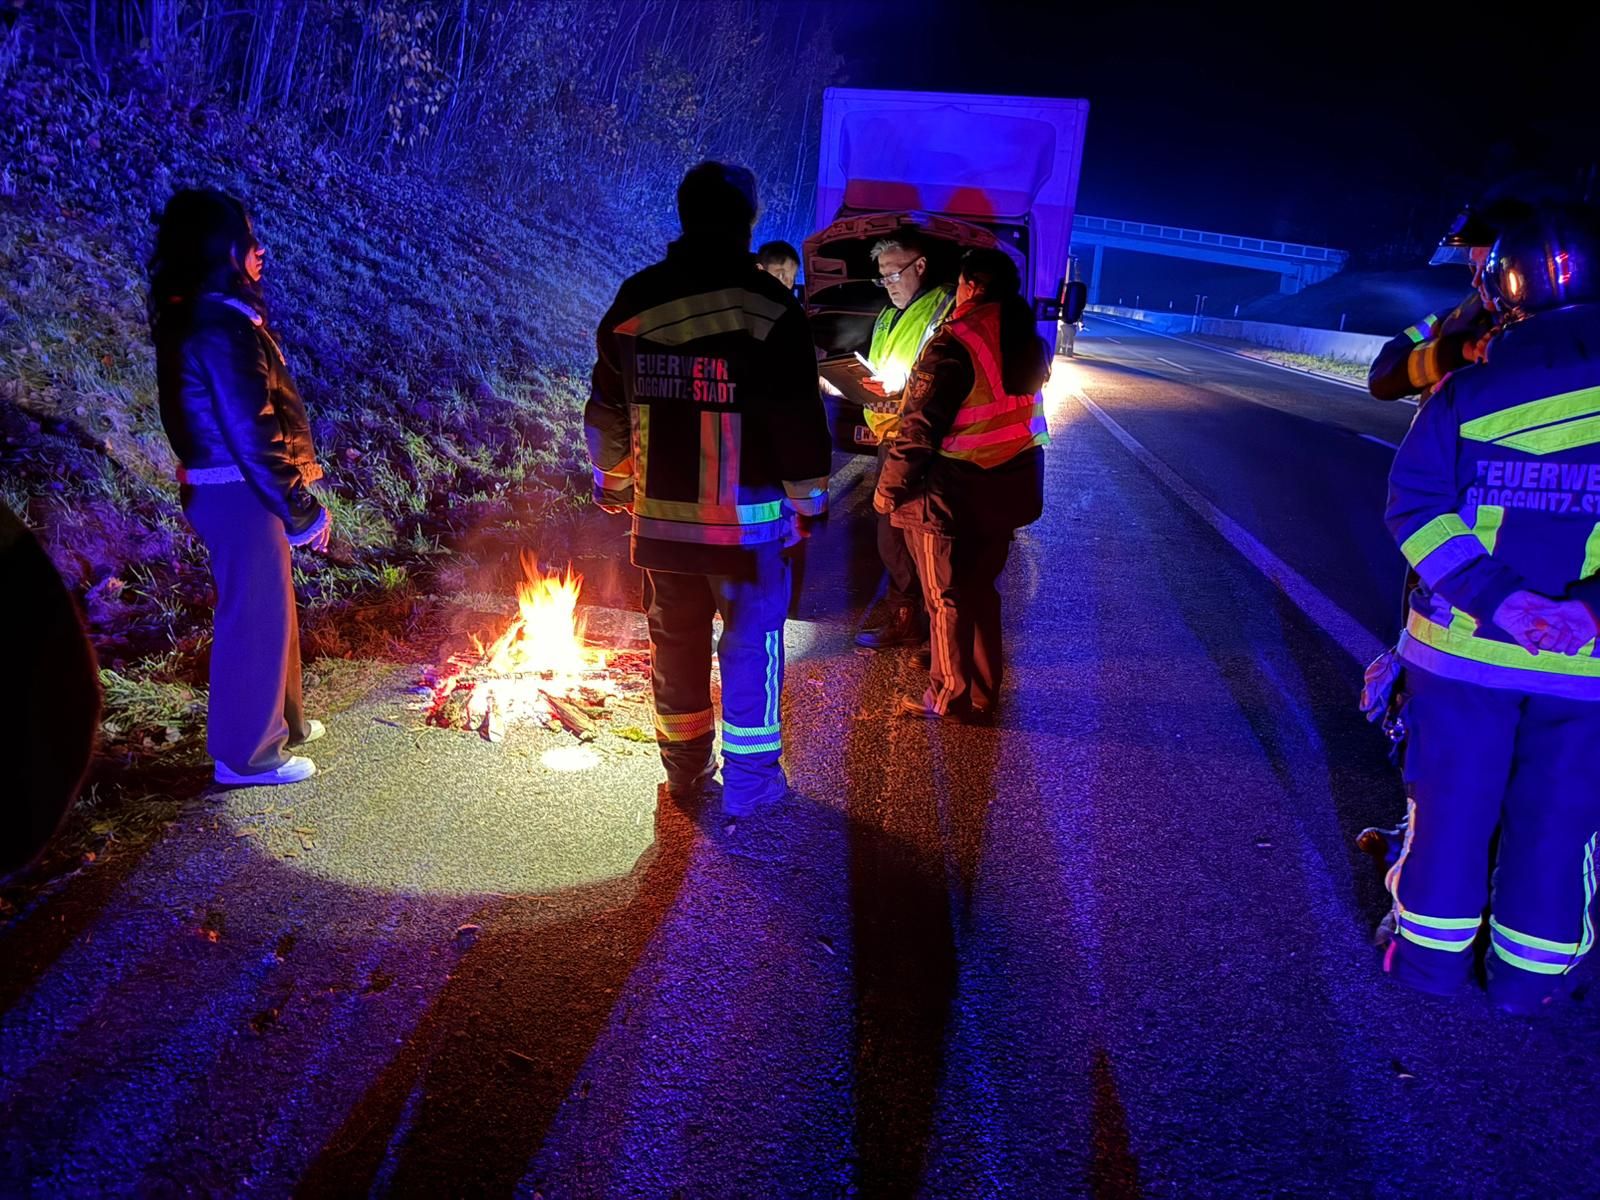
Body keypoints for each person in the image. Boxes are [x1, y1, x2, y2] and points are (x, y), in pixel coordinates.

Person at [1380, 204, 1600, 1013]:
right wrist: (1588, 614)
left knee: (1450, 808)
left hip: (1463, 654)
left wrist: (1499, 603)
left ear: (1504, 287)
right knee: (1562, 819)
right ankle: (1529, 982)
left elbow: (1416, 509)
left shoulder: (1466, 390)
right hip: (1587, 669)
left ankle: (1428, 966)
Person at [586, 162, 831, 816]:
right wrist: (809, 500)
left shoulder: (636, 297)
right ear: (748, 221)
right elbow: (797, 415)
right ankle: (751, 786)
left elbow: (607, 406)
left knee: (675, 645)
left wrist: (614, 481)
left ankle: (685, 774)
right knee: (751, 643)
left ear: (684, 213)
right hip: (746, 530)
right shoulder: (770, 306)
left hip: (662, 523)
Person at [149, 189, 331, 787]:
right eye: (247, 236)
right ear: (220, 248)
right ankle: (245, 755)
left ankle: (282, 723)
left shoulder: (209, 316)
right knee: (253, 614)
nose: (260, 249)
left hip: (232, 486)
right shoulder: (219, 326)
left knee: (270, 606)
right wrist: (299, 507)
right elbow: (252, 431)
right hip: (236, 488)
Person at [873, 247, 1049, 724]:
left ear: (970, 286)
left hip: (950, 492)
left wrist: (889, 489)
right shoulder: (1025, 339)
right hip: (1006, 487)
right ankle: (983, 693)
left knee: (944, 597)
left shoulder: (956, 341)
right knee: (980, 591)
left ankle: (948, 695)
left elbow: (918, 431)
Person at [856, 229, 957, 651]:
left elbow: (937, 377)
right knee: (892, 536)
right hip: (892, 437)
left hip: (920, 443)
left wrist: (898, 393)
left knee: (912, 539)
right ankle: (911, 622)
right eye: (882, 277)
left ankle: (925, 631)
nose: (888, 284)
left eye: (894, 274)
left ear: (920, 266)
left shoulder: (943, 306)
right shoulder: (888, 314)